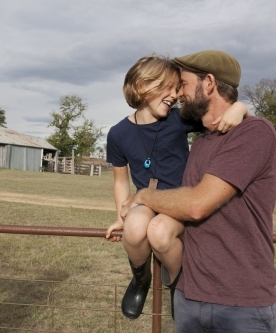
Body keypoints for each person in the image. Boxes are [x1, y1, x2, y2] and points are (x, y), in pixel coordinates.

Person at [121, 50, 276, 332]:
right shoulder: (202, 142)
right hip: (189, 298)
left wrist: (144, 195)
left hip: (241, 304)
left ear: (208, 83)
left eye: (182, 84)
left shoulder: (253, 132)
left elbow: (196, 205)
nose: (178, 93)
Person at [104, 54, 250, 320]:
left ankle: (177, 284)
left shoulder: (178, 119)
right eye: (169, 87)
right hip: (144, 201)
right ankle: (140, 279)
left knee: (159, 234)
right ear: (142, 86)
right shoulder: (117, 133)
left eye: (178, 87)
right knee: (135, 229)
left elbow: (217, 114)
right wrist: (120, 217)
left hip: (177, 201)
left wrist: (240, 108)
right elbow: (120, 180)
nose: (175, 94)